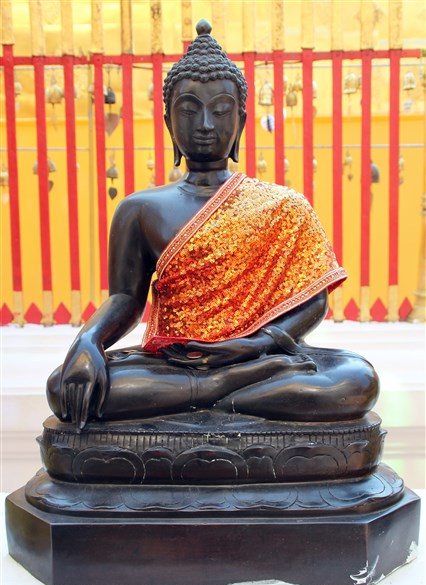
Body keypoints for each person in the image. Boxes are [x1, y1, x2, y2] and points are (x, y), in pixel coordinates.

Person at [47, 20, 379, 430]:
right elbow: (125, 299)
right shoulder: (139, 208)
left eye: (220, 111)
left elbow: (313, 302)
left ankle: (211, 392)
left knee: (355, 379)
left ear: (240, 121)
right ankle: (225, 390)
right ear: (169, 122)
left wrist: (254, 345)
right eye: (189, 111)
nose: (205, 125)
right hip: (175, 361)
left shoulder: (283, 205)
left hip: (260, 355)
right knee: (64, 387)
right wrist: (88, 340)